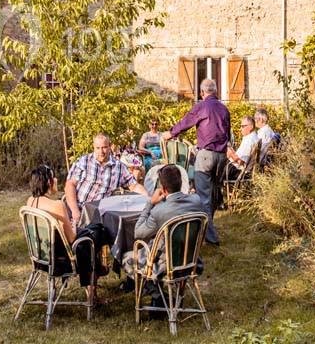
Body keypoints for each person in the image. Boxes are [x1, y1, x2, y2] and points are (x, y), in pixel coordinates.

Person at [162, 78, 230, 245]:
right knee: (214, 194)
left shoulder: (201, 106)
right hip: (222, 156)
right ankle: (209, 228)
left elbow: (185, 123)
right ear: (216, 91)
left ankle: (209, 237)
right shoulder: (224, 109)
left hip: (206, 155)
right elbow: (228, 133)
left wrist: (169, 134)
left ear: (202, 93)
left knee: (204, 198)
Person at [121, 164, 205, 297]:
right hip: (191, 261)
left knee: (126, 258)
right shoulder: (196, 200)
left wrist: (150, 203)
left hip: (167, 265)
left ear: (163, 189)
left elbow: (138, 232)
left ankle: (157, 294)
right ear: (181, 182)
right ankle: (171, 296)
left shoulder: (159, 211)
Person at [65, 133, 149, 225]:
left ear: (110, 146)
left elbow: (134, 185)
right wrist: (74, 210)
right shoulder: (84, 161)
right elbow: (70, 185)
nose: (101, 151)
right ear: (93, 147)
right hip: (76, 208)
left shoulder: (119, 167)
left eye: (104, 147)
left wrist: (148, 199)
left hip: (97, 216)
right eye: (98, 148)